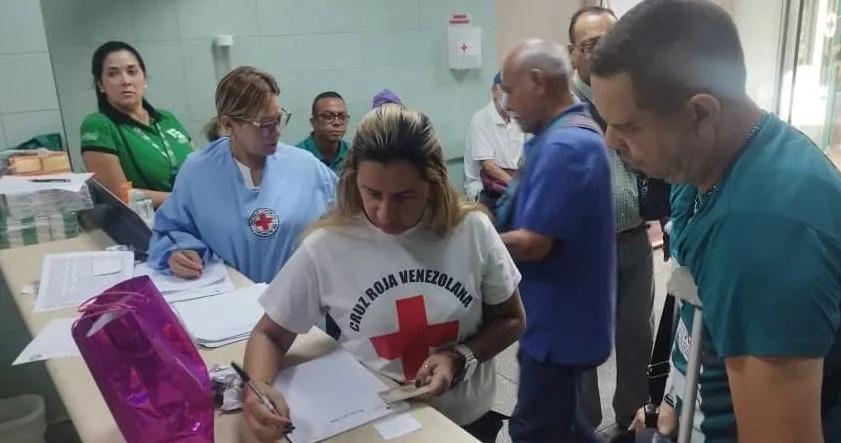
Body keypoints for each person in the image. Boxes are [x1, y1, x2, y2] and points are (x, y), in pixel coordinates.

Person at [591, 1, 841, 442]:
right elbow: (701, 313)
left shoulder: (768, 234)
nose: (610, 141)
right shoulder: (703, 167)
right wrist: (676, 397)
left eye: (628, 126)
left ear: (701, 113)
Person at [241, 104, 526, 443]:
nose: (385, 214)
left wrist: (461, 356)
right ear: (353, 180)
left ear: (433, 184)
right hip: (373, 425)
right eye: (372, 194)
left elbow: (511, 319)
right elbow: (270, 335)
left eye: (404, 197)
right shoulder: (328, 246)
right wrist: (256, 390)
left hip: (463, 422)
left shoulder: (471, 230)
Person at [498, 39, 615, 443]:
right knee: (564, 424)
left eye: (510, 91)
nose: (508, 104)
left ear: (537, 82)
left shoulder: (567, 146)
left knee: (533, 429)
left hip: (558, 327)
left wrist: (471, 242)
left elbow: (535, 243)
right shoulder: (559, 136)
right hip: (552, 319)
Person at [147, 66, 336, 284]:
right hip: (232, 300)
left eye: (279, 119)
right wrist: (177, 252)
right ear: (229, 125)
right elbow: (171, 228)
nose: (276, 131)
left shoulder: (306, 167)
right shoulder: (198, 172)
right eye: (265, 125)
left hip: (300, 300)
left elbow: (348, 213)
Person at [568, 6, 654, 436]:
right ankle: (585, 425)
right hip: (584, 250)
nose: (603, 51)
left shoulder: (642, 97)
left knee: (638, 335)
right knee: (584, 341)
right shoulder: (560, 109)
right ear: (573, 54)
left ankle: (633, 418)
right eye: (591, 44)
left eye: (611, 40)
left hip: (636, 240)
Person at [80, 41, 194, 208]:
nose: (125, 81)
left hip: (200, 214)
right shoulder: (99, 125)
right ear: (100, 85)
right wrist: (187, 200)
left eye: (132, 71)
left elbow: (200, 165)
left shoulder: (166, 118)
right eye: (113, 74)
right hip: (155, 225)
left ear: (144, 78)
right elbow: (121, 196)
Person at [463, 72, 525, 208]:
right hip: (484, 189)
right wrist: (517, 187)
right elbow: (488, 167)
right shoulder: (480, 119)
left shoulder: (516, 119)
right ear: (494, 91)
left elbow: (519, 161)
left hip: (509, 184)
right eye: (506, 90)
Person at [296, 91, 351, 174]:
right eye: (328, 116)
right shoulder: (297, 156)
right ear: (313, 122)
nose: (337, 122)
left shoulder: (354, 154)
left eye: (342, 117)